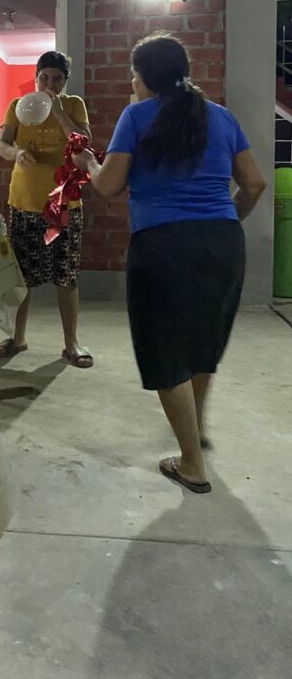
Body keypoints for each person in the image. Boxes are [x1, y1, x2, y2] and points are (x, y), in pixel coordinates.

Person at [72, 34, 265, 494]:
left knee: (166, 352)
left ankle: (191, 464)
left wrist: (88, 164)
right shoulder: (221, 116)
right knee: (203, 343)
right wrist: (221, 221)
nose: (131, 84)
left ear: (145, 77)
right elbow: (254, 184)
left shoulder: (137, 116)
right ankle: (195, 429)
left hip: (162, 245)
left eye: (133, 75)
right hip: (223, 243)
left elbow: (109, 185)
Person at [0, 51, 94, 367]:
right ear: (36, 77)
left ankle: (71, 344)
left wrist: (59, 111)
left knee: (66, 275)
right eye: (43, 77)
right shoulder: (19, 106)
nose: (49, 84)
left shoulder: (74, 105)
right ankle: (18, 338)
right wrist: (16, 153)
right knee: (22, 276)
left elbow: (83, 142)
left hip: (64, 203)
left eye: (56, 79)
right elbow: (2, 144)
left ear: (65, 81)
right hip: (24, 201)